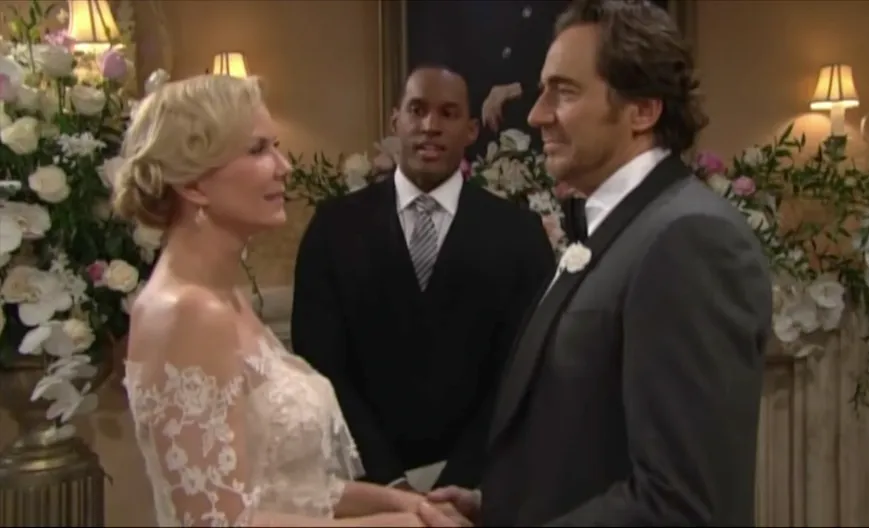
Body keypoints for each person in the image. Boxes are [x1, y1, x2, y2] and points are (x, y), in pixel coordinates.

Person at [421, 0, 773, 525]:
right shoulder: (624, 225)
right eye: (543, 91)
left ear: (642, 110)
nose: (537, 114)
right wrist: (494, 509)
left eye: (563, 92)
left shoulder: (690, 238)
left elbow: (681, 502)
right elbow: (585, 441)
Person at [116, 74, 458, 527]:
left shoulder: (227, 298)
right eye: (258, 150)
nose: (285, 167)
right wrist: (400, 527)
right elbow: (216, 521)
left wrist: (400, 504)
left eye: (276, 147)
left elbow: (286, 490)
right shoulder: (186, 312)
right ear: (194, 184)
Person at [291, 65, 555, 495]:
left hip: (478, 490)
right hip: (363, 485)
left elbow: (523, 371)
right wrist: (388, 482)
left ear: (471, 130)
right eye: (417, 110)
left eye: (448, 113)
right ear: (395, 121)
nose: (430, 125)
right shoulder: (333, 228)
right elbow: (320, 364)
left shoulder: (520, 235)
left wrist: (460, 485)